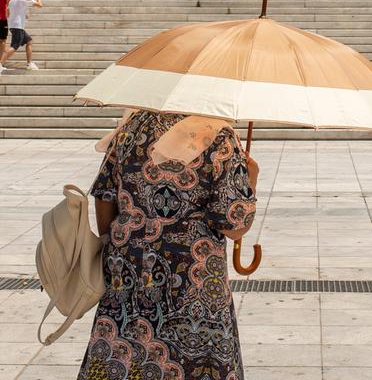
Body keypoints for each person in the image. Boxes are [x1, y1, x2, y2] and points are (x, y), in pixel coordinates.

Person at [79, 110, 258, 379]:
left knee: (125, 354)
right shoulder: (218, 136)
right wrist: (251, 176)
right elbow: (234, 226)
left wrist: (119, 246)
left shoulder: (132, 126)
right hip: (192, 280)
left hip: (128, 270)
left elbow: (104, 195)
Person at [0, 0, 42, 71]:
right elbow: (40, 5)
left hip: (14, 25)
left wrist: (21, 15)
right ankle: (0, 63)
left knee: (29, 41)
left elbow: (7, 11)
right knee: (14, 46)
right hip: (17, 26)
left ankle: (29, 63)